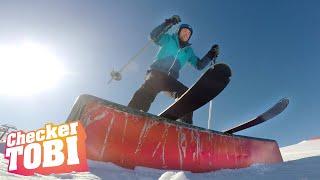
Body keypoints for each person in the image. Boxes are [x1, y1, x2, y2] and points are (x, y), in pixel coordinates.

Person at [128, 15, 219, 124]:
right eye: (184, 31)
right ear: (179, 31)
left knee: (186, 94)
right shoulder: (168, 39)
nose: (186, 34)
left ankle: (185, 125)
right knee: (150, 86)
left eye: (189, 33)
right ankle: (133, 113)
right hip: (156, 73)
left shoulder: (188, 51)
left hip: (170, 79)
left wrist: (211, 54)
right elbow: (154, 36)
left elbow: (199, 65)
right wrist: (169, 23)